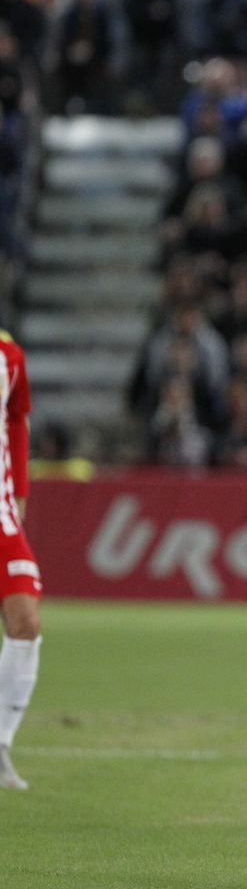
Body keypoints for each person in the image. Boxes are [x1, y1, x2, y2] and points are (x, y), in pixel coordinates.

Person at [0, 330, 39, 789]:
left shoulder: (10, 357)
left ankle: (2, 744)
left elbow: (17, 419)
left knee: (26, 621)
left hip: (3, 514)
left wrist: (21, 492)